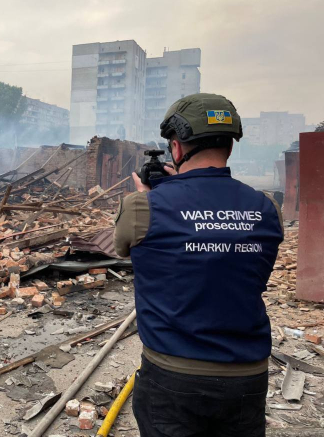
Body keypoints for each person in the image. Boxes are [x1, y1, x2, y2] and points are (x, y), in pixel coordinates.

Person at [114, 93, 284, 437]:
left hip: (173, 375)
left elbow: (123, 248)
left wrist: (152, 195)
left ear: (176, 149)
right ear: (230, 147)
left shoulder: (141, 207)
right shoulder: (266, 208)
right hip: (247, 377)